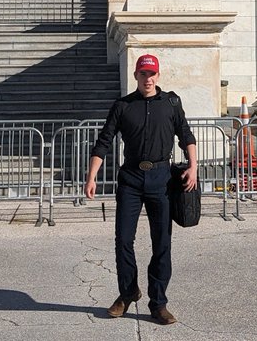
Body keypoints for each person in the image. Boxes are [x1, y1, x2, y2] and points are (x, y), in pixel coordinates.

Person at [85, 53, 197, 326]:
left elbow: (186, 134)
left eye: (152, 74)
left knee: (162, 243)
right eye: (143, 74)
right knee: (123, 239)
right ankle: (128, 293)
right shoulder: (123, 106)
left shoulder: (171, 102)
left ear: (158, 75)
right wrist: (91, 177)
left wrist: (193, 166)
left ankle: (158, 303)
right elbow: (104, 141)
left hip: (162, 179)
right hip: (131, 179)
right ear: (136, 75)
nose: (148, 78)